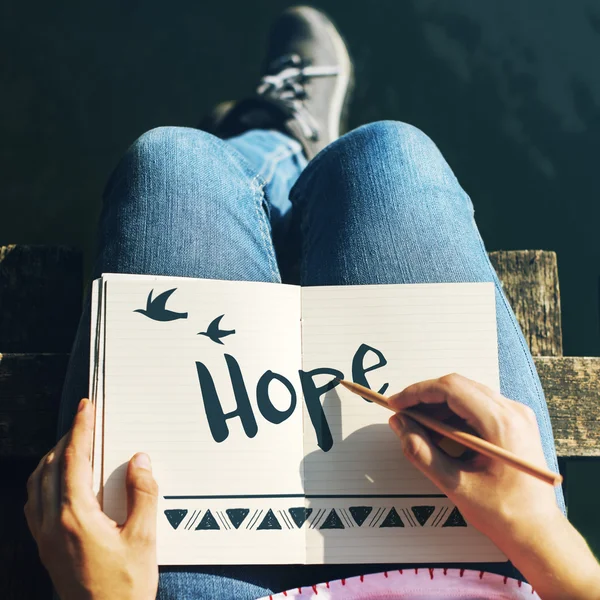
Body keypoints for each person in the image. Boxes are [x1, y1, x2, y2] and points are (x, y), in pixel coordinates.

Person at [24, 6, 600, 599]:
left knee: (172, 163)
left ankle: (267, 149)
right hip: (478, 574)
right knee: (387, 155)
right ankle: (284, 154)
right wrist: (546, 536)